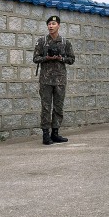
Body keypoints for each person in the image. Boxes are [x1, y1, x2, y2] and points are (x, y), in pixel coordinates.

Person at [33, 15, 76, 145]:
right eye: (49, 24)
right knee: (46, 107)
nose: (50, 26)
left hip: (60, 80)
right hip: (45, 80)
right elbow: (35, 58)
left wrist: (61, 58)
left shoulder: (65, 42)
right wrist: (46, 58)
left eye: (53, 23)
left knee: (58, 107)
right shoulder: (42, 41)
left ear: (58, 25)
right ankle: (46, 135)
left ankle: (55, 133)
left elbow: (72, 59)